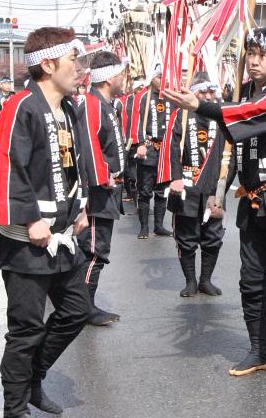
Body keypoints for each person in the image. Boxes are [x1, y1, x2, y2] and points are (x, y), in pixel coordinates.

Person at [164, 27, 266, 386]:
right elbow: (238, 141)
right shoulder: (243, 95)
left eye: (261, 55)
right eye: (249, 53)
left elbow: (248, 115)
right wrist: (220, 188)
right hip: (252, 199)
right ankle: (258, 351)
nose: (252, 60)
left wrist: (202, 105)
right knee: (250, 280)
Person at [0, 27, 90, 418]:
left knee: (76, 311)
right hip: (26, 243)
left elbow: (71, 165)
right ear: (48, 65)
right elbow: (7, 165)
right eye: (73, 62)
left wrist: (81, 208)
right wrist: (31, 219)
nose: (80, 70)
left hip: (62, 235)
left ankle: (34, 378)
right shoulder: (21, 106)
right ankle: (14, 412)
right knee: (27, 327)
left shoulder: (67, 108)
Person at [162, 75, 226, 297]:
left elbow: (231, 154)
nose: (207, 96)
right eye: (202, 92)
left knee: (213, 236)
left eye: (211, 92)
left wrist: (222, 187)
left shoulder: (222, 117)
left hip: (213, 186)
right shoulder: (181, 114)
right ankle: (190, 280)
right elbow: (170, 147)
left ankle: (205, 280)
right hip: (187, 185)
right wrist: (175, 177)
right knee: (186, 237)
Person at [77, 51, 127, 325]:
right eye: (120, 74)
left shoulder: (108, 104)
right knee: (94, 251)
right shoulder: (92, 104)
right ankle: (84, 308)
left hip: (108, 188)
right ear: (109, 78)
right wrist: (103, 174)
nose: (124, 79)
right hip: (97, 190)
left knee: (96, 250)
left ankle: (84, 304)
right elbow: (87, 145)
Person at [129, 66, 172, 239]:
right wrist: (139, 143)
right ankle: (144, 227)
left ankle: (159, 226)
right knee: (145, 190)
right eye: (159, 76)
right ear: (152, 78)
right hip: (149, 147)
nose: (162, 80)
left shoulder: (171, 97)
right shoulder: (142, 97)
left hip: (166, 149)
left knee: (162, 189)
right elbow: (135, 121)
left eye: (164, 77)